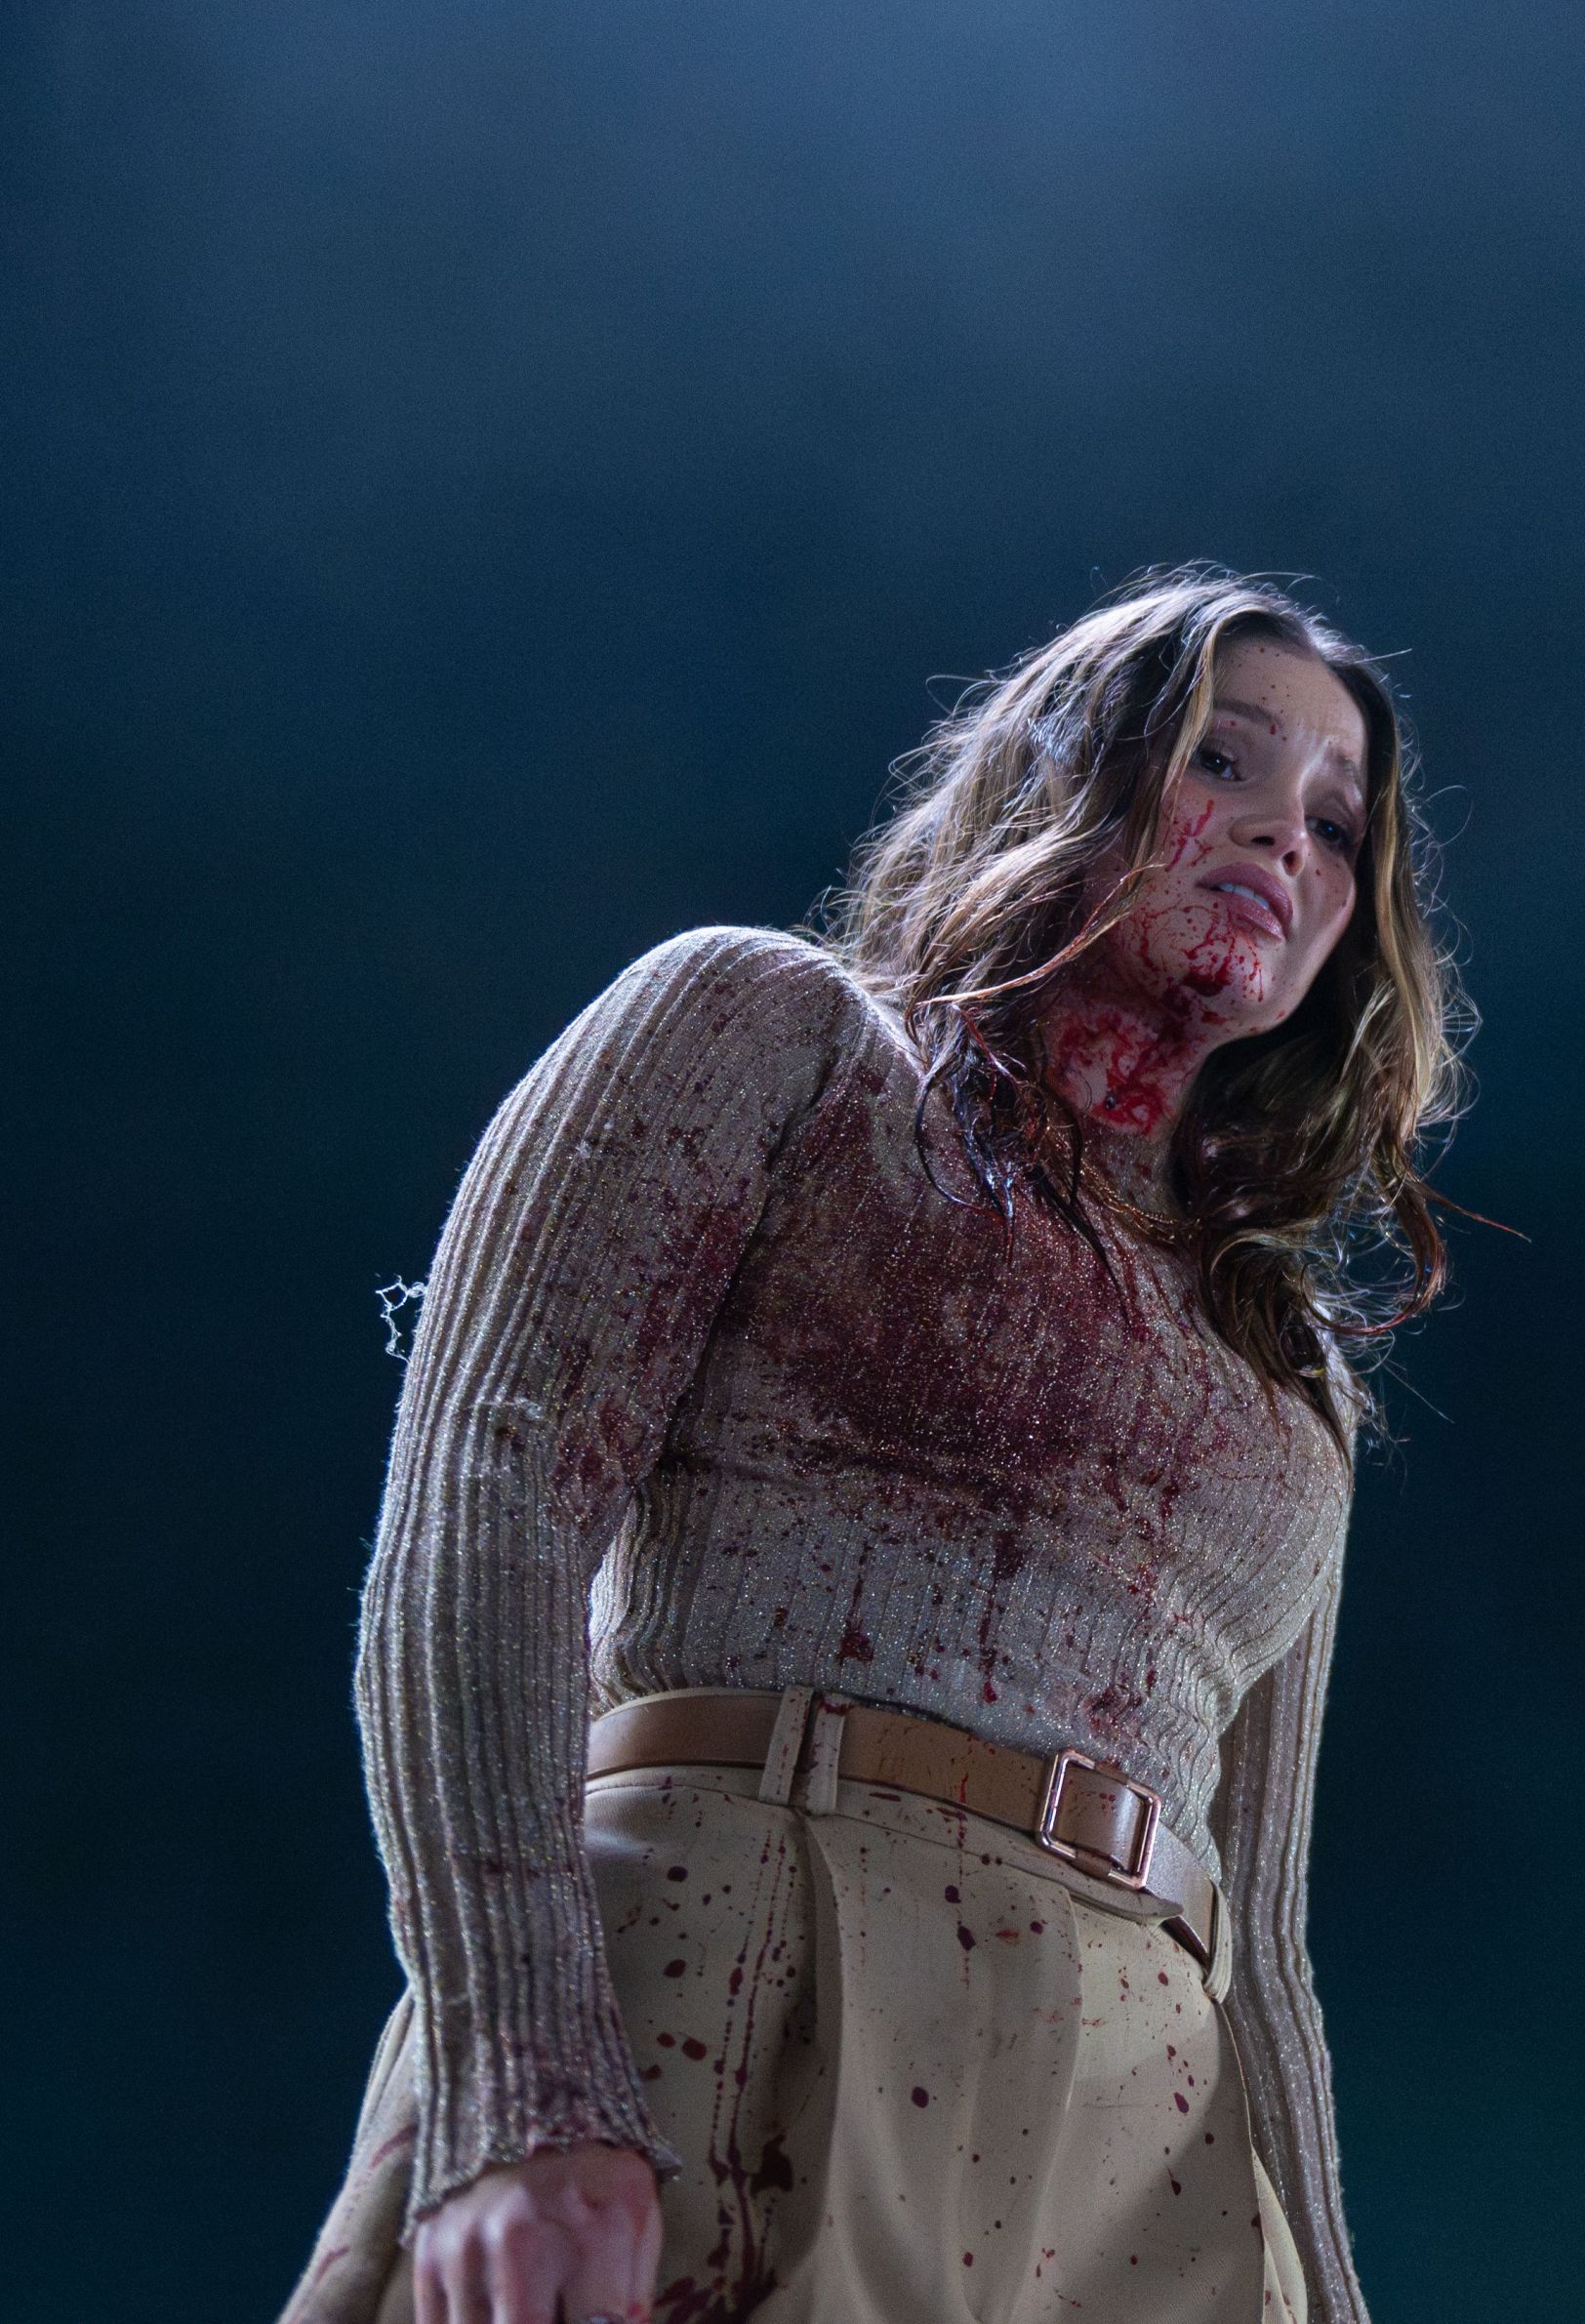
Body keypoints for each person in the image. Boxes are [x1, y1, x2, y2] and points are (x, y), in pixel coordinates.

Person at [282, 569, 1461, 2324]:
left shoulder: (1289, 1374)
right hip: (733, 1969)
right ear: (1069, 770)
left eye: (1338, 821)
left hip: (1151, 2128)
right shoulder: (774, 1034)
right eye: (1222, 758)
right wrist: (520, 2073)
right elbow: (490, 1498)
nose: (1288, 835)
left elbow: (1266, 1931)